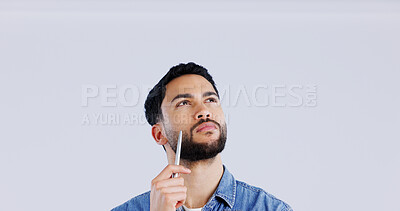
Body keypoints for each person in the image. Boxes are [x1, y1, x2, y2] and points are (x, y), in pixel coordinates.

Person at [111, 62, 292, 211]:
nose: (204, 111)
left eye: (210, 100)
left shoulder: (269, 208)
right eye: (184, 103)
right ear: (159, 134)